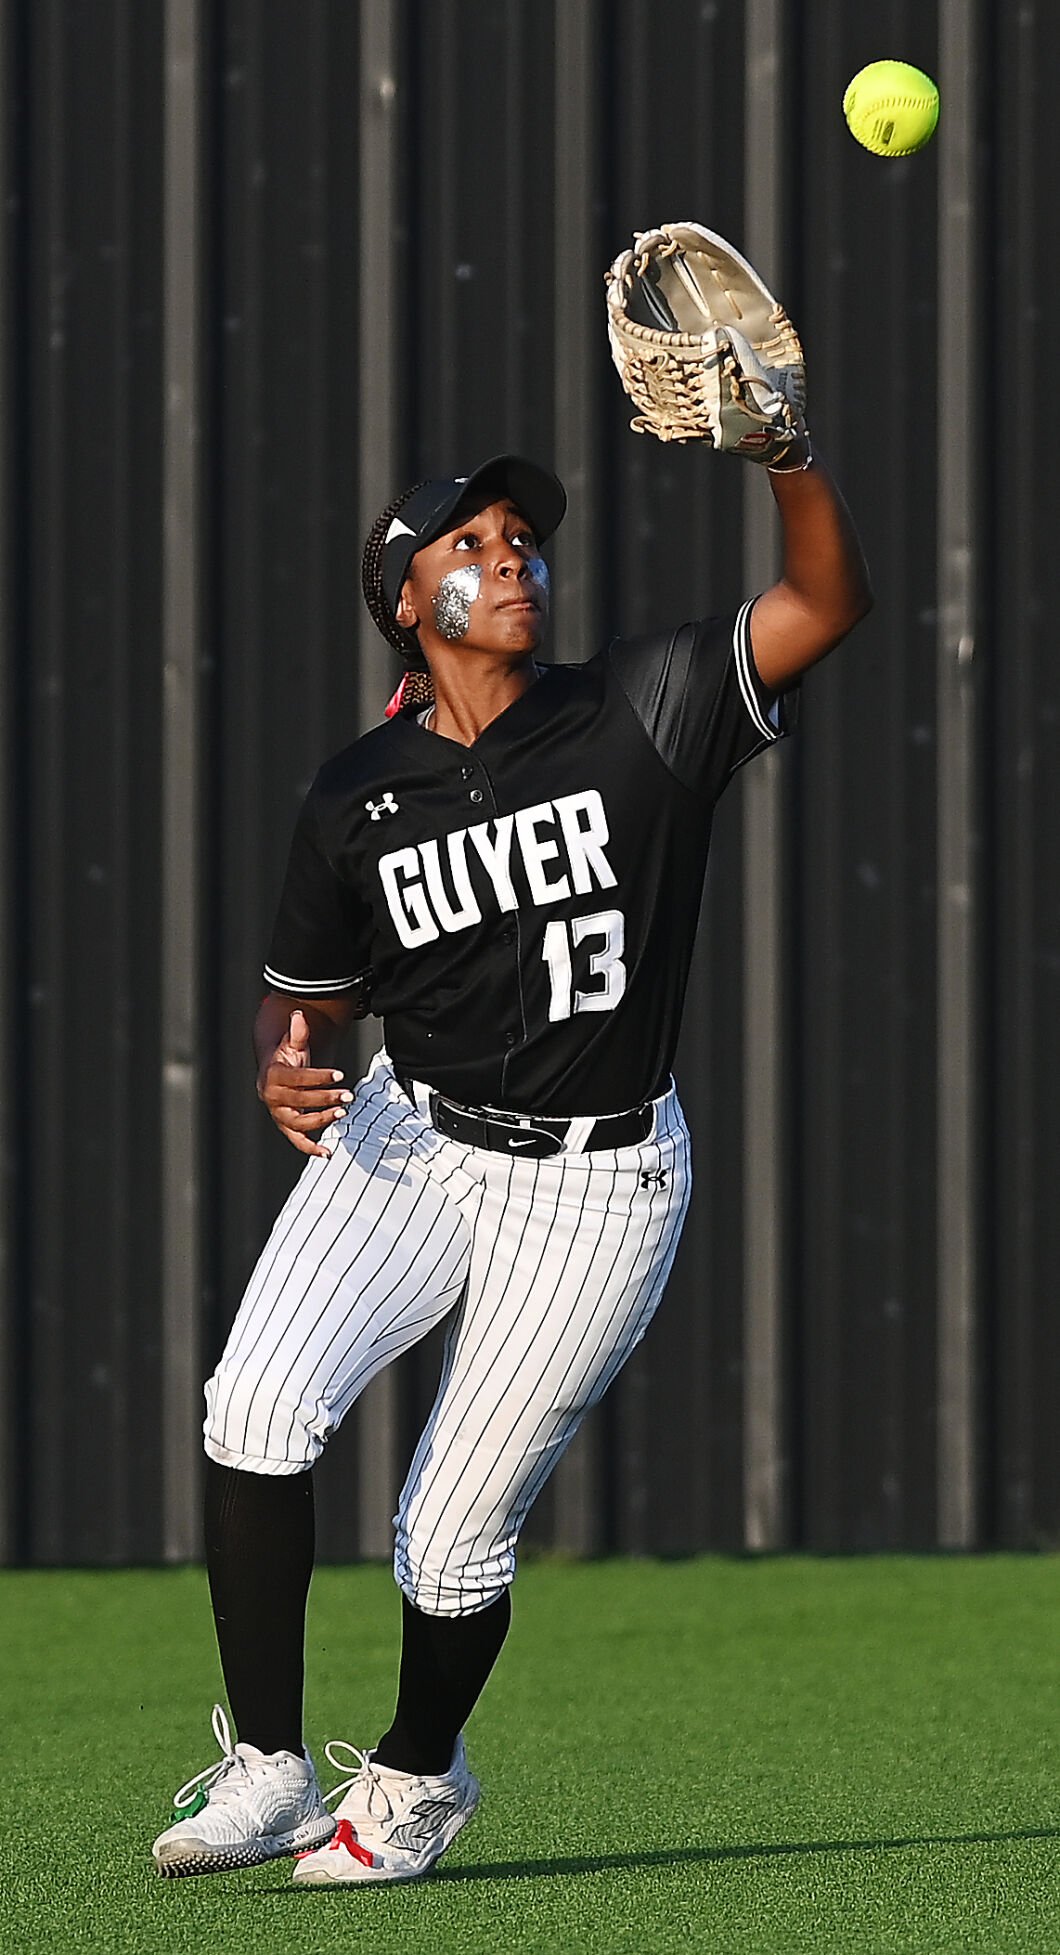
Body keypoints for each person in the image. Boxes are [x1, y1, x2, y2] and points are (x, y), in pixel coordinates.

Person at [151, 436, 870, 1884]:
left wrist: (785, 455)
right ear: (410, 598)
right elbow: (311, 991)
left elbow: (822, 602)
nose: (511, 560)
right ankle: (270, 1772)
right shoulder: (356, 794)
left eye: (521, 539)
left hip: (597, 1181)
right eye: (470, 544)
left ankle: (417, 1779)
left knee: (449, 1539)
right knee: (255, 1408)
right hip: (409, 1134)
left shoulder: (645, 705)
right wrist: (285, 1060)